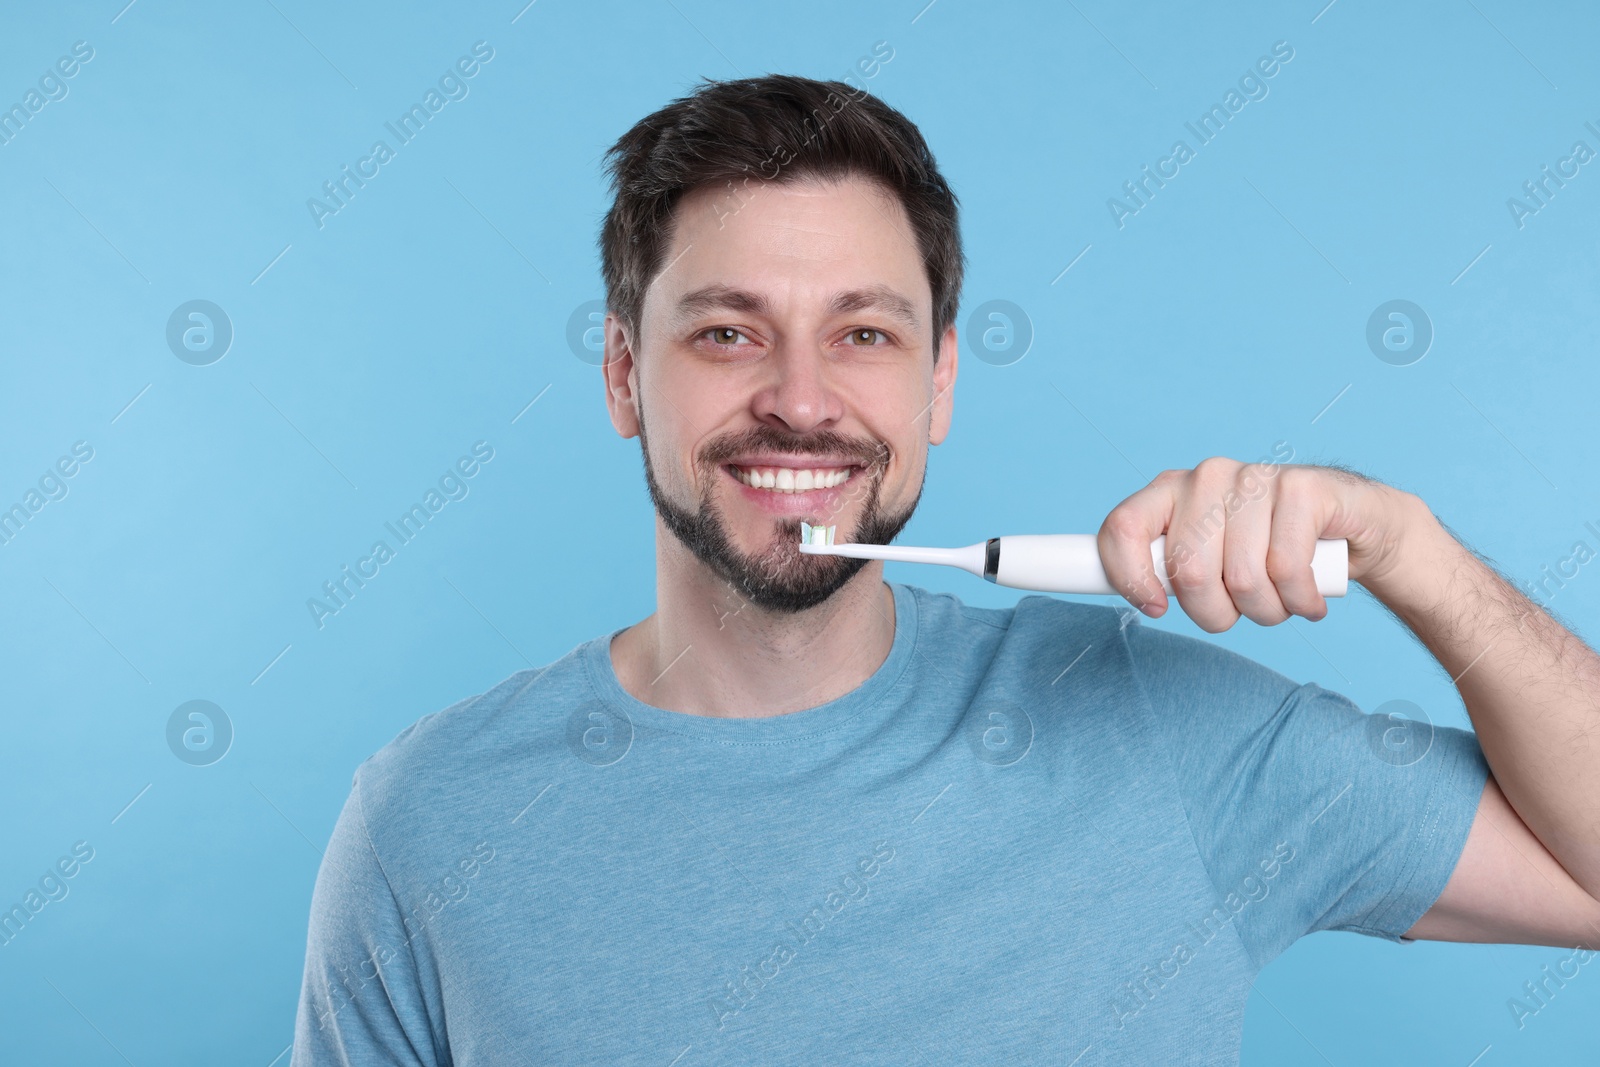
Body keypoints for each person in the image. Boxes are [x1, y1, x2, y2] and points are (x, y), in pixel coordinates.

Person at [292, 73, 1600, 1065]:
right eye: (729, 332)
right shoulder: (428, 823)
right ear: (627, 376)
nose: (801, 402)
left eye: (862, 332)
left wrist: (1407, 552)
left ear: (941, 382)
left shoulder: (1172, 735)